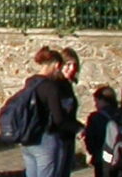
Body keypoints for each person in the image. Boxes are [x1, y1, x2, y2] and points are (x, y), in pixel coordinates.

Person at [22, 46, 81, 177]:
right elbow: (59, 118)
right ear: (58, 65)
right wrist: (79, 128)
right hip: (51, 138)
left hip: (32, 139)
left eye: (74, 65)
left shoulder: (32, 82)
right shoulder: (52, 87)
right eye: (68, 64)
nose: (72, 69)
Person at [88, 87, 119, 177]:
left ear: (102, 100)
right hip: (121, 158)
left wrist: (93, 153)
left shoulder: (95, 117)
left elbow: (90, 141)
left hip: (101, 158)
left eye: (96, 101)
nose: (95, 105)